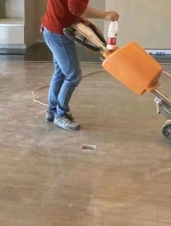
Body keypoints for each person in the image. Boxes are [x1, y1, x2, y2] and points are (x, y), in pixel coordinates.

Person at [41, 1, 119, 130]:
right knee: (73, 75)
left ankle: (52, 110)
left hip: (53, 28)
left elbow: (69, 6)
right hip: (57, 33)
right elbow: (75, 7)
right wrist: (105, 15)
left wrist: (79, 19)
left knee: (60, 72)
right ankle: (60, 115)